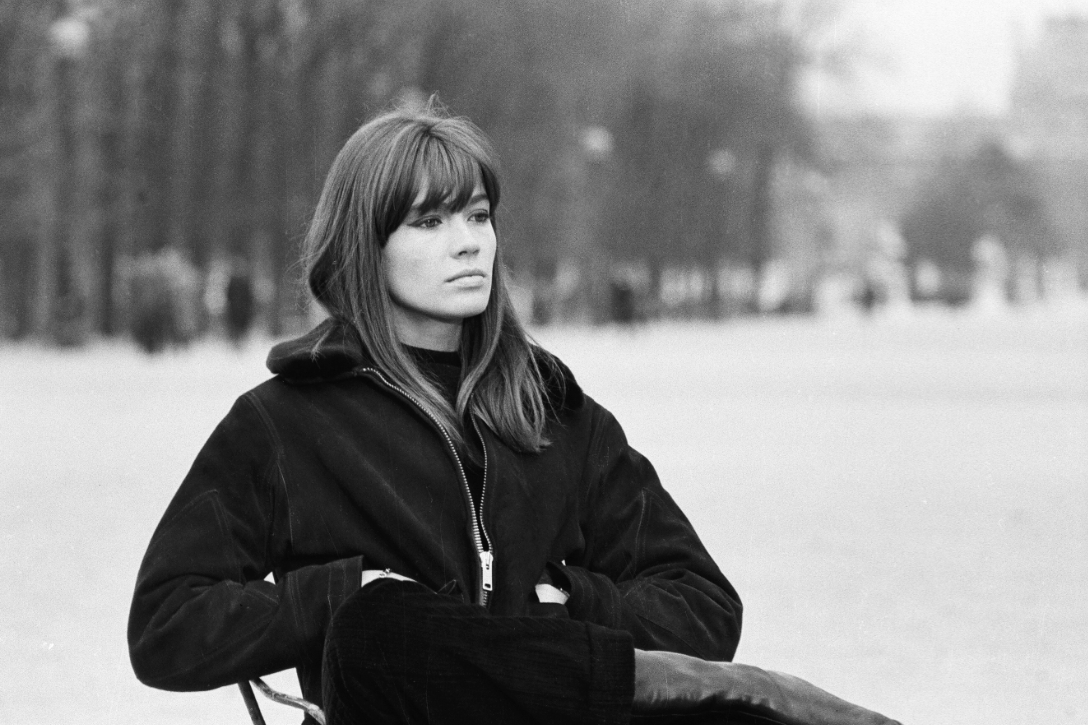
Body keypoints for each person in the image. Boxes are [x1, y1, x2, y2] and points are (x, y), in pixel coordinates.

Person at [127, 102, 900, 725]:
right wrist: (342, 593)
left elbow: (703, 602)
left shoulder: (552, 411)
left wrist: (573, 607)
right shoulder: (285, 423)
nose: (468, 245)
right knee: (379, 628)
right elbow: (166, 624)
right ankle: (778, 700)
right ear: (366, 248)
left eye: (476, 215)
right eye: (428, 224)